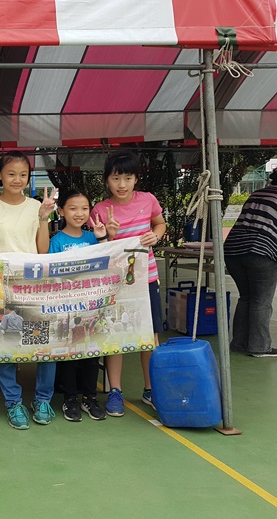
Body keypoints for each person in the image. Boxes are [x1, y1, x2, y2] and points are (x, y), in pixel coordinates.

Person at [0, 150, 57, 429]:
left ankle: (43, 400)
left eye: (23, 174)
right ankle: (13, 402)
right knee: (8, 344)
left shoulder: (37, 206)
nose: (17, 179)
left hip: (34, 287)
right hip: (4, 288)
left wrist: (44, 218)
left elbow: (43, 250)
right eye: (11, 173)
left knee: (43, 344)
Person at [91, 151, 167, 415]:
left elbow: (160, 224)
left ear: (136, 179)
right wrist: (110, 236)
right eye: (116, 178)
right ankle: (115, 391)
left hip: (147, 279)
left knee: (150, 336)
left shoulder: (148, 200)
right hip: (116, 282)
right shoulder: (100, 210)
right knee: (115, 336)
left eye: (127, 177)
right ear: (107, 180)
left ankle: (151, 389)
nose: (121, 184)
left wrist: (156, 235)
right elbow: (101, 249)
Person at [49, 189, 108, 422]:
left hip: (91, 307)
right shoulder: (57, 241)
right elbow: (52, 274)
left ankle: (89, 397)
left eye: (84, 208)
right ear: (61, 211)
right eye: (73, 208)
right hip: (66, 309)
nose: (79, 213)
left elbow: (108, 262)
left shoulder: (93, 238)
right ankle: (70, 398)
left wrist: (103, 238)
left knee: (91, 354)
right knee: (69, 355)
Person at [223, 168, 277, 357]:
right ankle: (259, 347)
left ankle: (239, 343)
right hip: (260, 251)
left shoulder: (257, 193)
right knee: (261, 300)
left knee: (246, 297)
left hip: (232, 250)